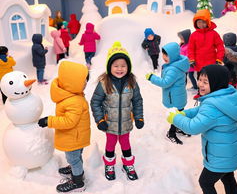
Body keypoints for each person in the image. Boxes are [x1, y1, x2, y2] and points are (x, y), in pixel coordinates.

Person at [167, 64, 237, 194]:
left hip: (220, 156)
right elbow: (201, 110)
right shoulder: (225, 97)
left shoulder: (212, 106)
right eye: (199, 79)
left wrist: (175, 118)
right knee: (228, 177)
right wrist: (185, 114)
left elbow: (193, 127)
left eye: (206, 82)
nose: (200, 84)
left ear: (216, 83)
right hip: (230, 153)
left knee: (205, 182)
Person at [90, 41, 143, 181]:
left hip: (126, 123)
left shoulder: (132, 82)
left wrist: (139, 117)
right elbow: (95, 102)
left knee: (125, 143)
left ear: (128, 67)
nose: (120, 69)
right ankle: (109, 165)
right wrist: (100, 119)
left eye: (123, 66)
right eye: (116, 66)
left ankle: (128, 164)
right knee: (110, 144)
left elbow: (137, 100)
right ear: (109, 66)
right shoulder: (104, 83)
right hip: (109, 124)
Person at [38, 60, 91, 192]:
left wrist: (48, 121)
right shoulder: (72, 96)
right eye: (83, 81)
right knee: (75, 157)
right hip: (76, 136)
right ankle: (75, 169)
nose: (85, 84)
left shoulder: (74, 100)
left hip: (74, 137)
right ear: (71, 83)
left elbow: (69, 122)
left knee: (74, 159)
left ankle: (78, 182)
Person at [146, 42, 190, 145]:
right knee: (179, 113)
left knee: (175, 115)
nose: (164, 57)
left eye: (167, 55)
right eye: (163, 54)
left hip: (174, 98)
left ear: (174, 56)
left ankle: (171, 133)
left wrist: (152, 77)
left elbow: (165, 83)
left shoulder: (173, 70)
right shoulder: (178, 64)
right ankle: (178, 128)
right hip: (178, 96)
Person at [188, 9, 225, 99]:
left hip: (211, 63)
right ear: (195, 23)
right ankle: (201, 93)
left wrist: (219, 59)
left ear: (208, 22)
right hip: (199, 64)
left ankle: (212, 94)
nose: (201, 24)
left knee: (211, 79)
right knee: (201, 80)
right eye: (198, 22)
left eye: (203, 22)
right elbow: (191, 48)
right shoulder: (193, 35)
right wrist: (191, 59)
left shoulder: (214, 34)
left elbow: (220, 47)